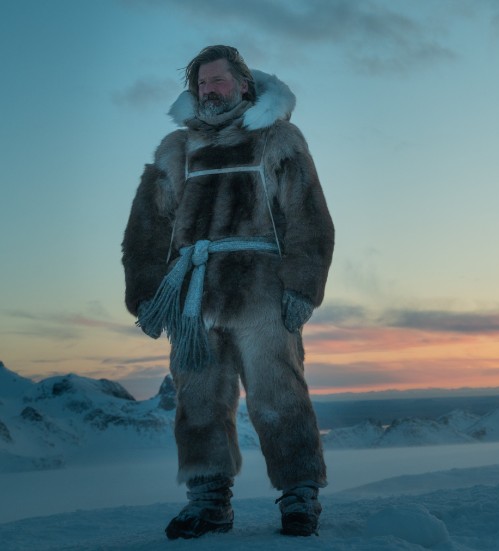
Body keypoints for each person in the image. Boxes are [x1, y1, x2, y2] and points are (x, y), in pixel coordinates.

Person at [121, 45, 334, 539]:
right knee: (198, 397)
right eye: (201, 84)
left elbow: (310, 219)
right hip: (193, 297)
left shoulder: (276, 141)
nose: (209, 91)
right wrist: (146, 292)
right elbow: (148, 229)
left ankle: (300, 495)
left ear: (242, 84)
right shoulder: (177, 150)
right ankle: (208, 500)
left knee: (278, 393)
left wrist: (302, 287)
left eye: (217, 81)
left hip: (262, 291)